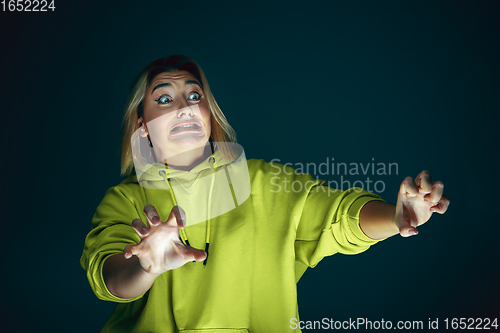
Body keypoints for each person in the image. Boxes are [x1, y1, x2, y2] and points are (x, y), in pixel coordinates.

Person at [80, 55, 450, 333]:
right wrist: (146, 265)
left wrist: (396, 216)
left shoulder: (263, 182)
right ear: (141, 126)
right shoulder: (124, 201)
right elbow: (109, 279)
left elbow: (337, 216)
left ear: (209, 114)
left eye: (195, 95)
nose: (185, 106)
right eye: (164, 99)